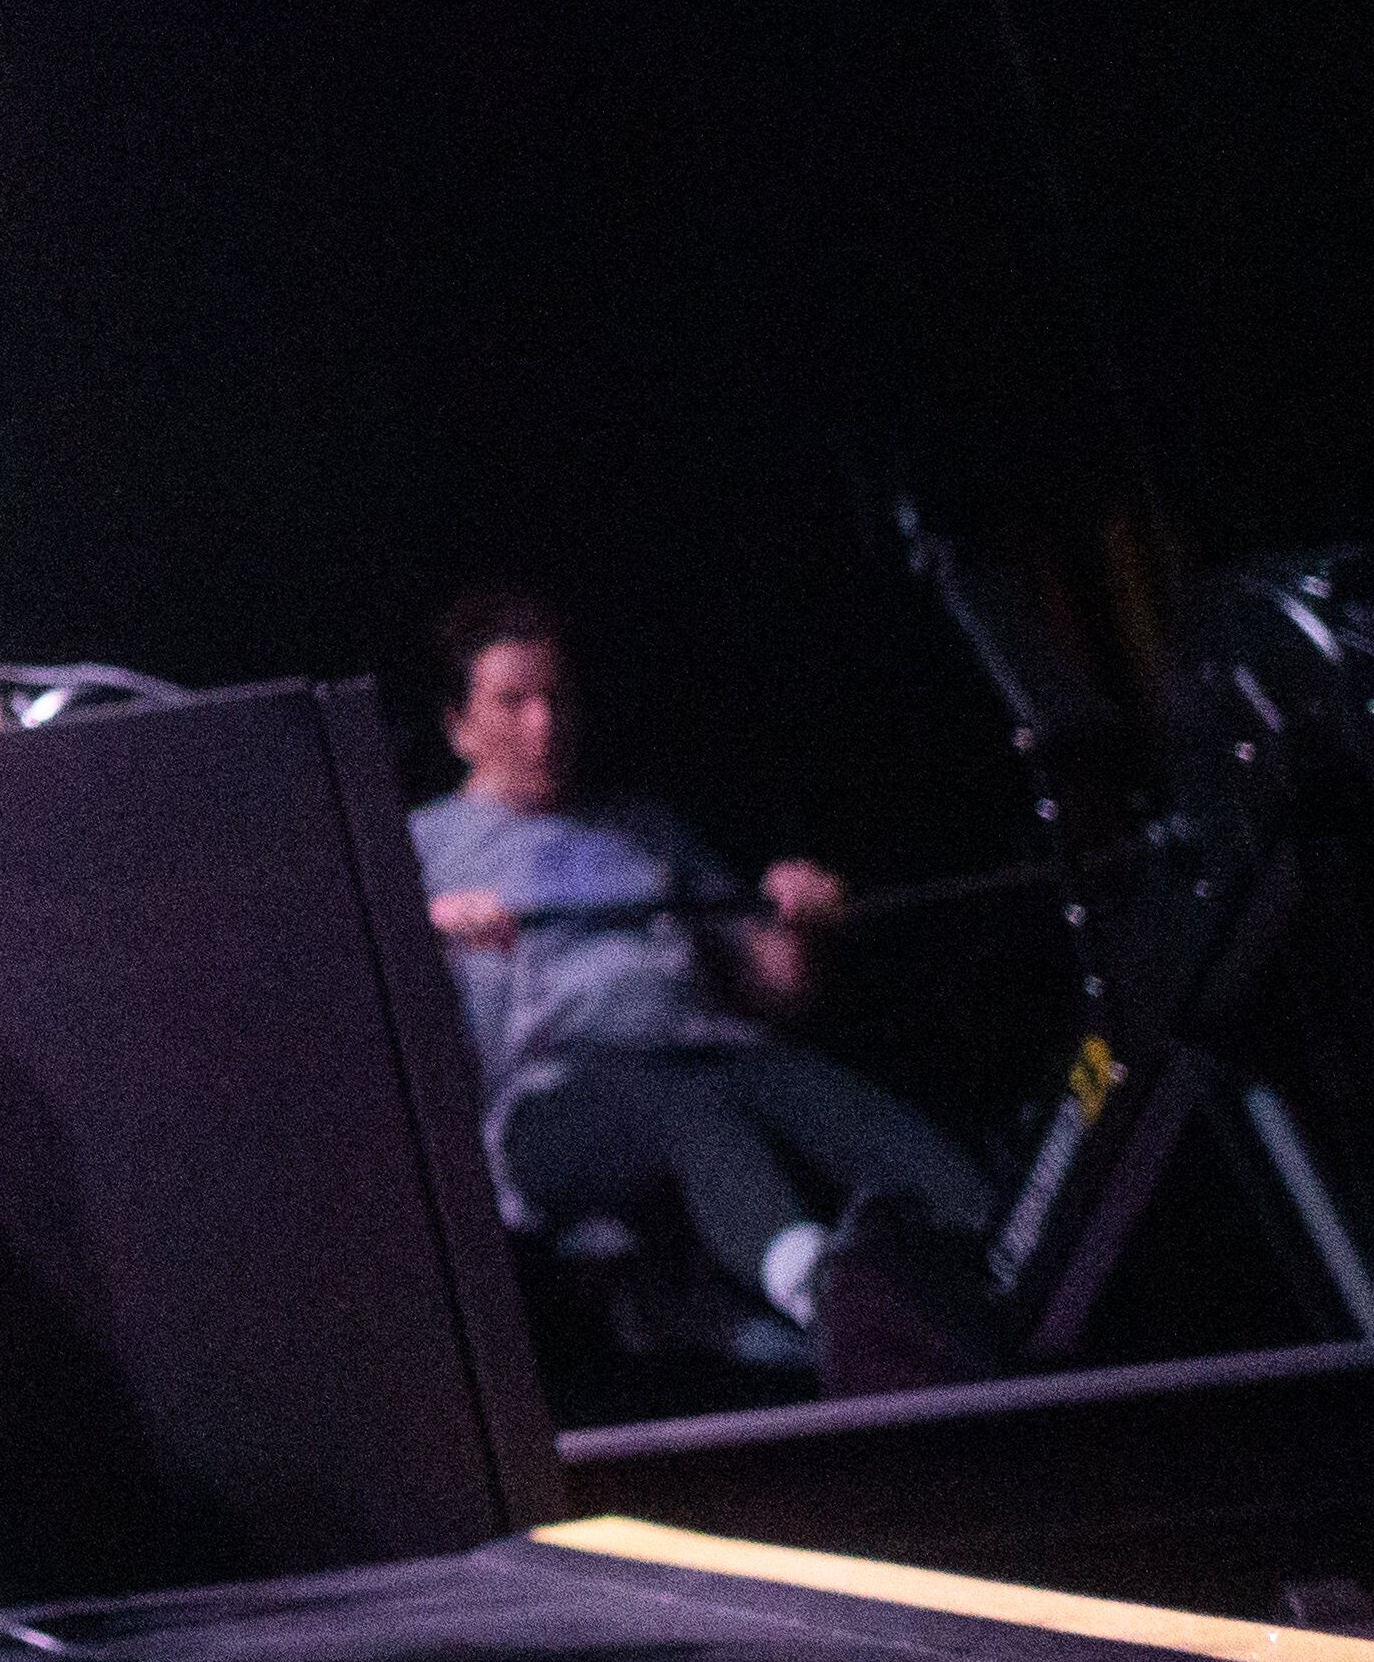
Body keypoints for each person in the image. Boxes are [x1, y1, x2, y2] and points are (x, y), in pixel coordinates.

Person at [407, 590, 1002, 1390]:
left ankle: (1006, 1262)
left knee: (824, 1097)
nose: (542, 724)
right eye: (512, 701)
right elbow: (338, 988)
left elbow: (777, 986)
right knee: (693, 1114)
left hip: (712, 1055)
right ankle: (830, 1300)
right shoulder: (424, 845)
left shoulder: (644, 827)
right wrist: (425, 923)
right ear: (459, 724)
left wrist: (801, 922)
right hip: (554, 1099)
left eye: (556, 697)